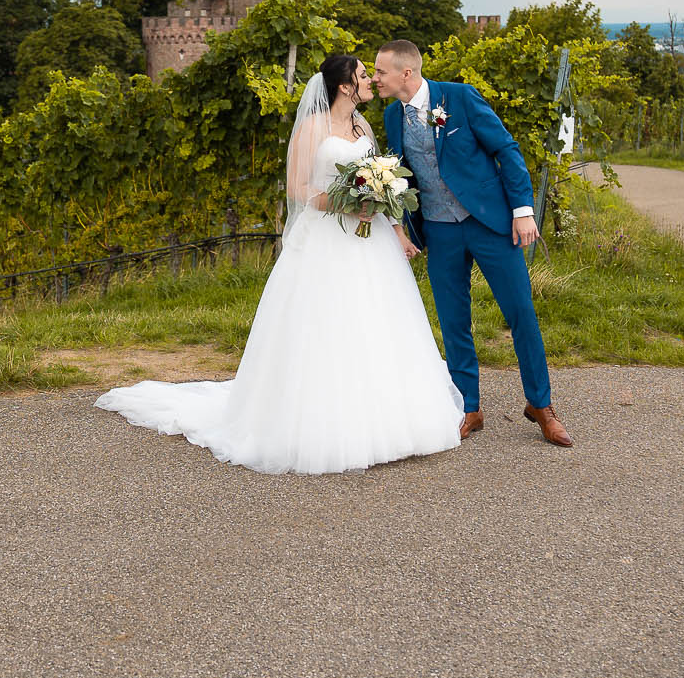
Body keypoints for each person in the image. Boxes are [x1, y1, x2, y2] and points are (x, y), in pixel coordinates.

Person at [94, 53, 464, 474]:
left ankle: (389, 417)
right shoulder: (313, 128)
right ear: (344, 85)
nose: (369, 81)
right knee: (324, 322)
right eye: (363, 75)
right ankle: (324, 420)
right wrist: (344, 204)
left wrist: (389, 219)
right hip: (326, 235)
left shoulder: (363, 127)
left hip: (369, 238)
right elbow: (298, 187)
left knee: (376, 317)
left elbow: (380, 178)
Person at [373, 40, 572, 447]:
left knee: (520, 312)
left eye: (380, 71)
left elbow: (506, 149)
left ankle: (541, 405)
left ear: (406, 73)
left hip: (489, 222)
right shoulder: (393, 115)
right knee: (453, 320)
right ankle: (468, 407)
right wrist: (398, 224)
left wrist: (522, 210)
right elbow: (401, 174)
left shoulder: (460, 98)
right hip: (439, 228)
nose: (375, 78)